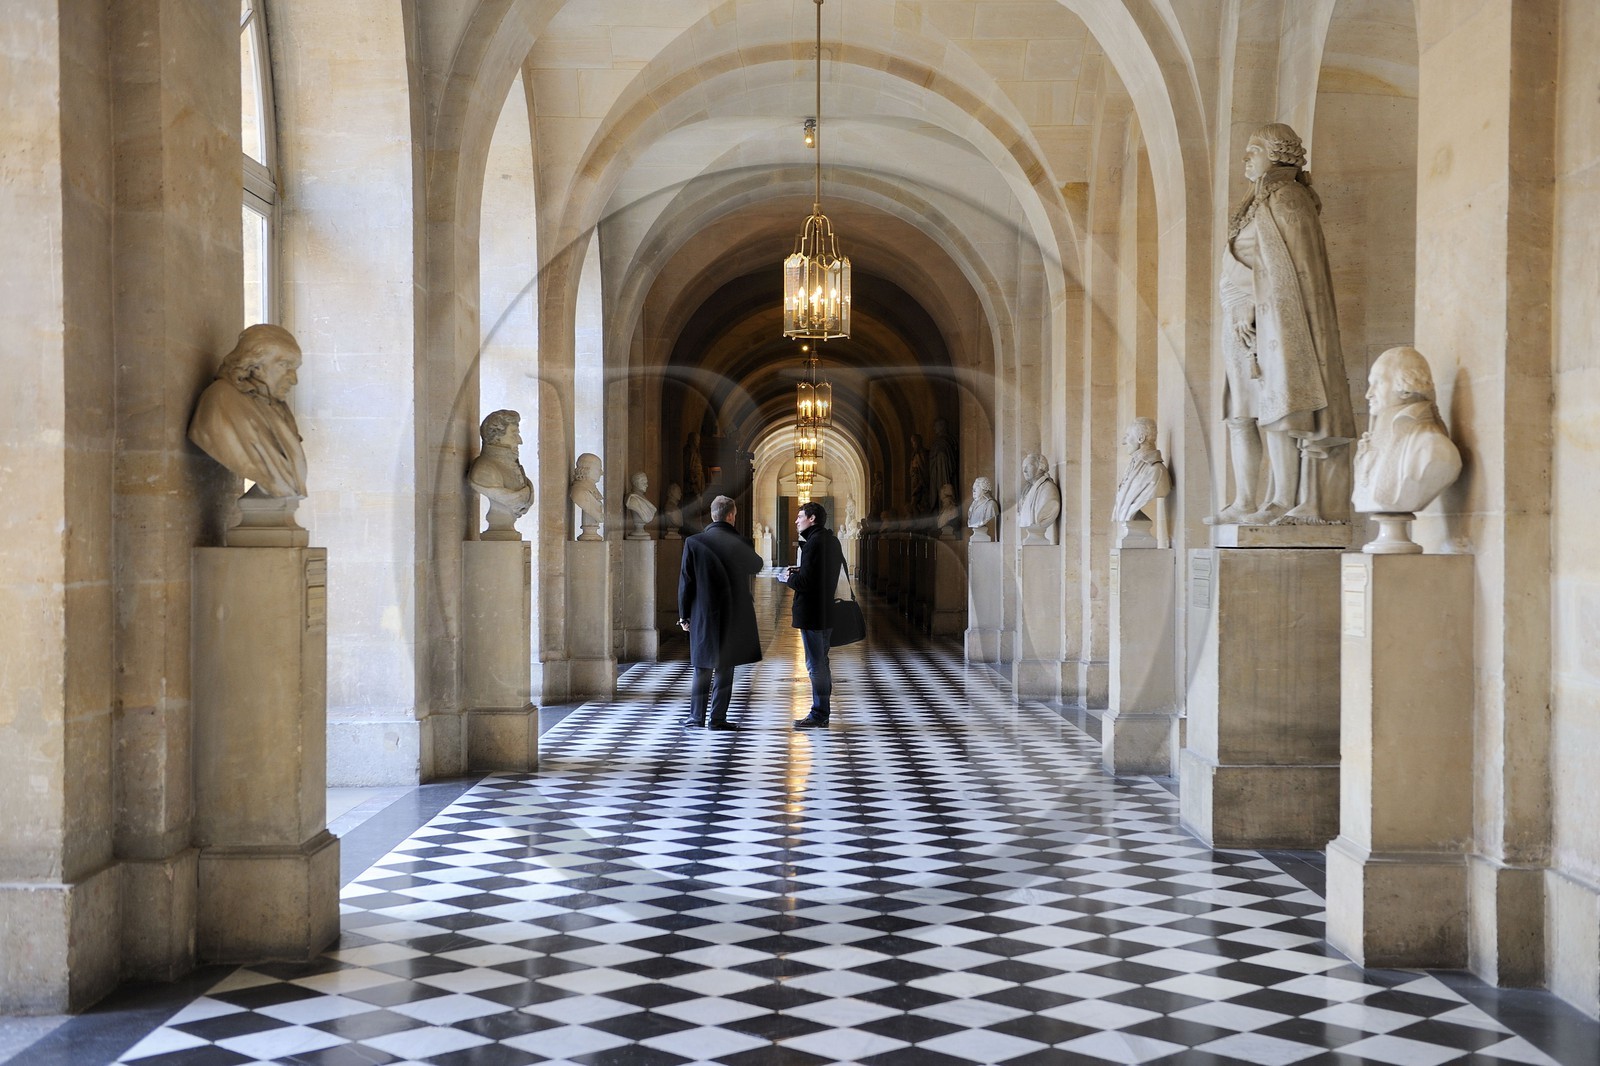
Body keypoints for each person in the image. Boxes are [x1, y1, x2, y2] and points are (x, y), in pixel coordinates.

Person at [1212, 121, 1355, 526]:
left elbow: (1297, 272)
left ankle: (1279, 498)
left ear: (1276, 154)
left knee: (1275, 408)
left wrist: (1252, 307)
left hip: (1272, 322)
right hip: (1242, 321)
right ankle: (1245, 500)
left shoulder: (1289, 198)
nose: (1245, 158)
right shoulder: (1258, 201)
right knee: (1241, 412)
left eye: (1253, 149)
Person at [188, 324, 308, 498]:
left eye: (294, 369)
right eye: (284, 365)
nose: (294, 379)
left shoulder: (279, 408)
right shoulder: (221, 400)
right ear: (255, 365)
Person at [677, 495, 763, 731]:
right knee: (726, 667)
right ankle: (717, 719)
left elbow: (686, 582)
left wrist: (684, 615)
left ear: (713, 515)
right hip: (734, 614)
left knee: (701, 667)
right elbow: (757, 566)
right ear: (731, 516)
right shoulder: (740, 542)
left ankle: (696, 718)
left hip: (702, 614)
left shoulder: (694, 542)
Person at [1352, 346, 1461, 514]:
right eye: (1369, 384)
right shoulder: (1375, 441)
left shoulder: (1433, 448)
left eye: (1378, 383)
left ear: (1406, 389)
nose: (1368, 394)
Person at [780, 501, 845, 730]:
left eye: (800, 516)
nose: (796, 520)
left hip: (813, 612)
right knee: (822, 662)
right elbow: (821, 574)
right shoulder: (830, 540)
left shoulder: (813, 543)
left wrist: (788, 578)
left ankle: (819, 713)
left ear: (812, 519)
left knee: (815, 665)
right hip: (826, 610)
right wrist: (801, 571)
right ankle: (822, 711)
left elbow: (807, 582)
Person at [468, 409, 533, 539]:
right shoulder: (484, 469)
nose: (519, 441)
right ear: (497, 437)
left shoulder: (514, 467)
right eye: (514, 434)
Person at [1112, 417, 1171, 523]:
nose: (1123, 442)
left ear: (1141, 438)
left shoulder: (1156, 471)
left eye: (1127, 436)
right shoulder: (1132, 468)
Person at [1017, 451, 1061, 545]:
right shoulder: (1027, 491)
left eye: (1028, 466)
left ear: (1041, 467)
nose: (1024, 471)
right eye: (1023, 467)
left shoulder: (1048, 489)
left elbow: (1050, 504)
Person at [570, 452, 604, 540]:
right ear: (586, 470)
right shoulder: (579, 492)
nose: (601, 472)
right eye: (598, 468)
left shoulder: (592, 492)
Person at [624, 471, 657, 539]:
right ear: (636, 483)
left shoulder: (642, 498)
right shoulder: (633, 499)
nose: (647, 485)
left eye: (646, 483)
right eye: (644, 483)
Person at [968, 476, 999, 541]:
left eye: (976, 487)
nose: (973, 491)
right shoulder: (973, 505)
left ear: (984, 489)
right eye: (973, 488)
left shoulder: (991, 505)